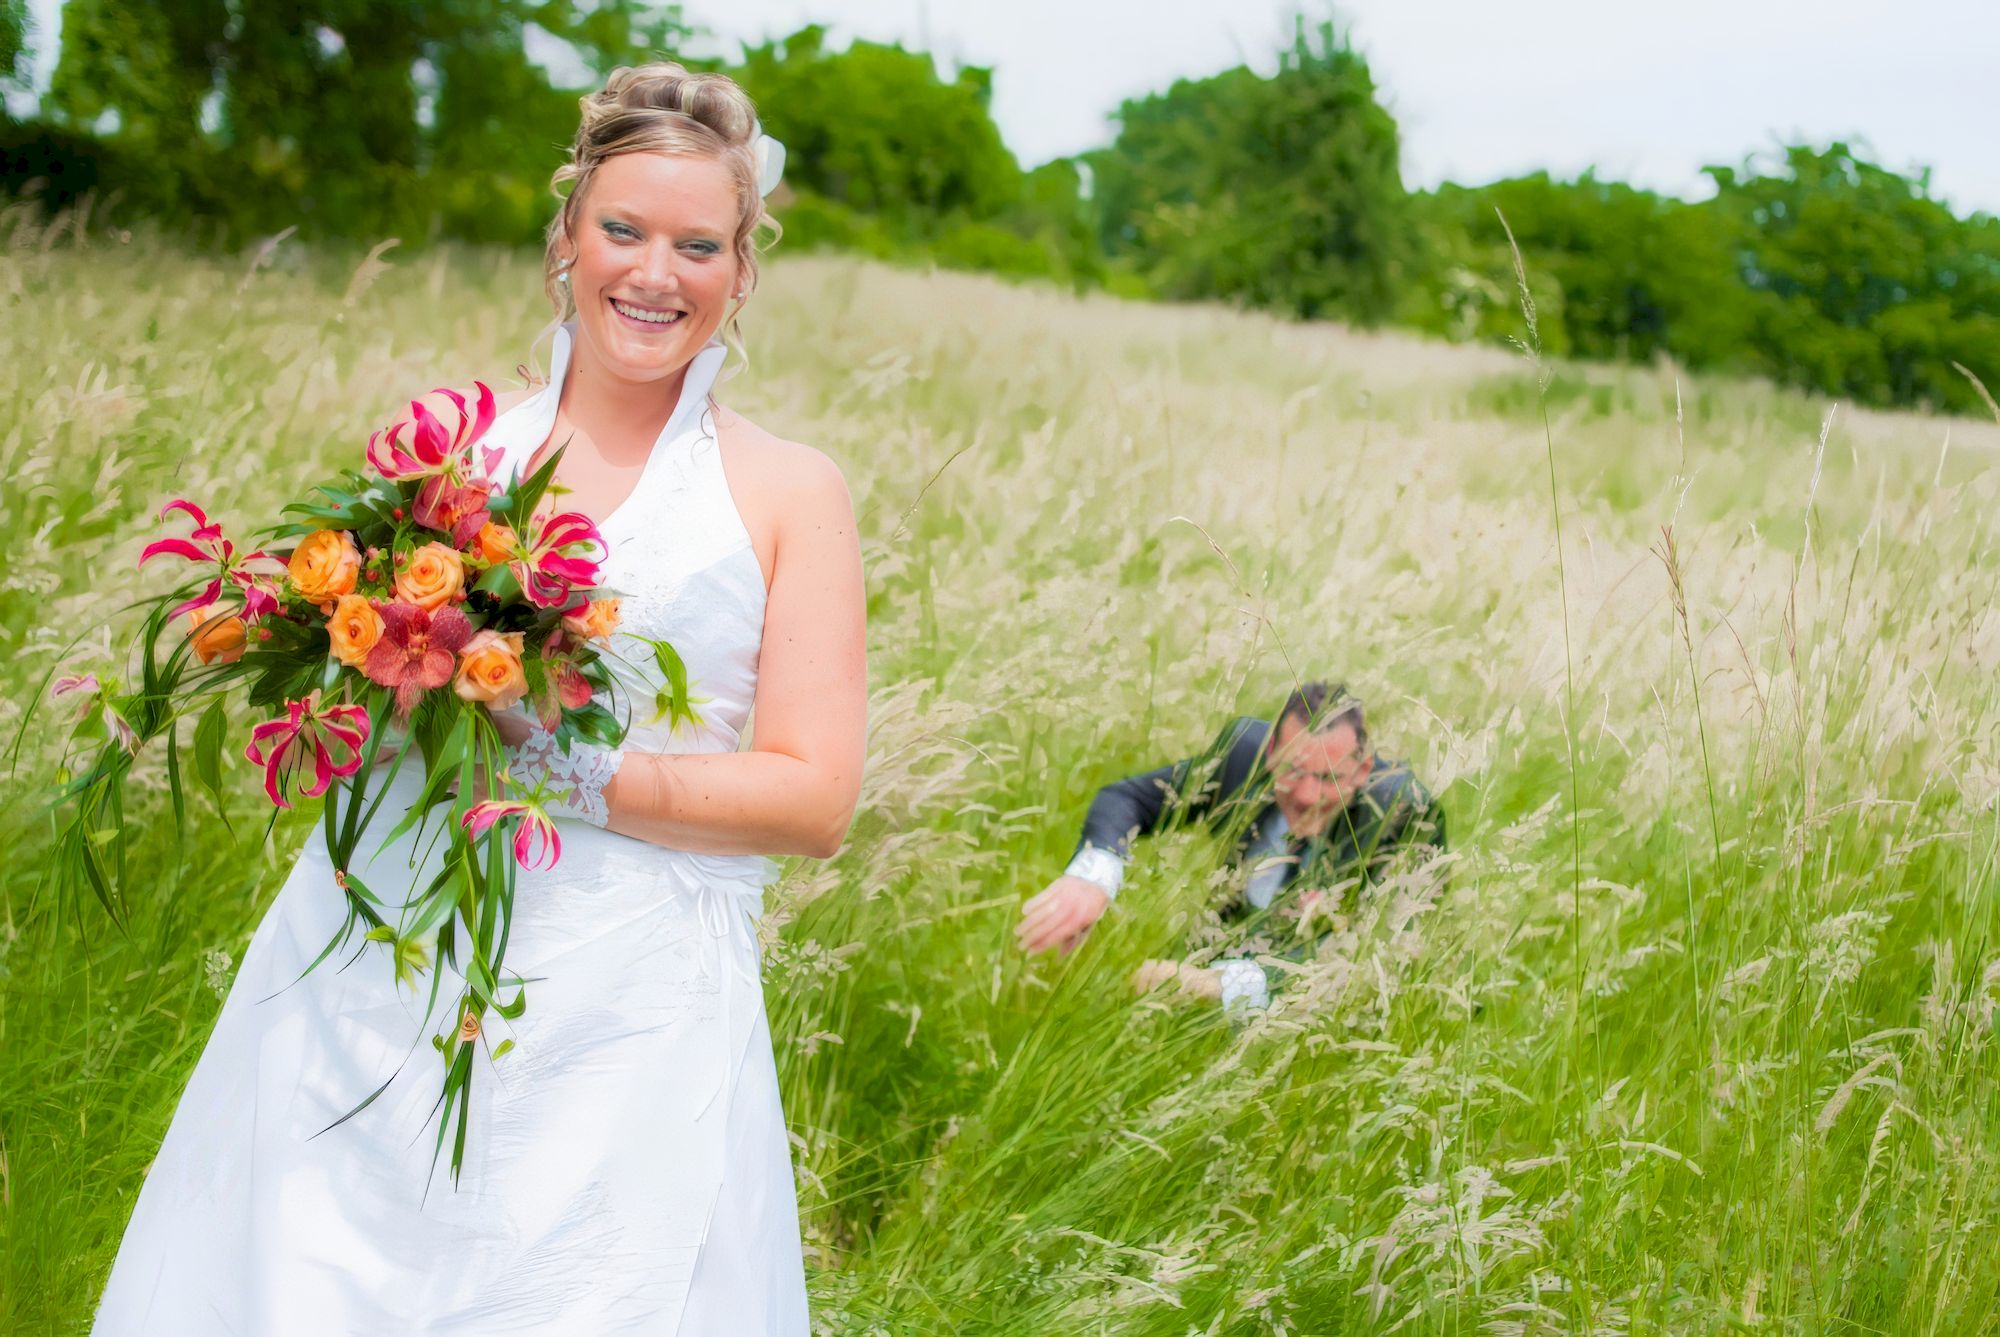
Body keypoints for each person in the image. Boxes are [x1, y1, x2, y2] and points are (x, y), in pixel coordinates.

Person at [92, 65, 865, 1335]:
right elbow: (354, 697)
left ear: (742, 266)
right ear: (566, 237)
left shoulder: (789, 491)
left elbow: (814, 796)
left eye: (697, 244)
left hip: (626, 1017)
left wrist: (578, 772)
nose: (653, 274)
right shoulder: (452, 461)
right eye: (621, 230)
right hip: (376, 962)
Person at [1016, 682, 1443, 1010]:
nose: (1308, 796)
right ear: (1271, 750)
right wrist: (1092, 879)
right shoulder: (1242, 755)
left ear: (1362, 769)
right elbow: (1128, 799)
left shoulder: (1403, 813)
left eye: (1329, 778)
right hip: (1225, 938)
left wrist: (1216, 987)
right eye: (1293, 770)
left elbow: (1378, 959)